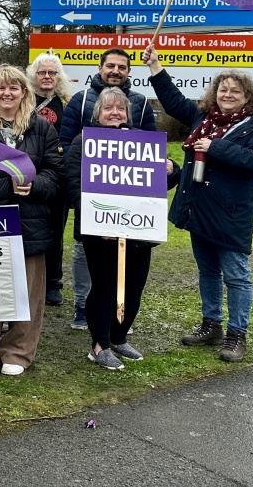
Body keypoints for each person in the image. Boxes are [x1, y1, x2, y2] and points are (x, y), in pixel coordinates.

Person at [142, 45, 253, 362]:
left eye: (235, 91)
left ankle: (236, 334)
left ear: (247, 97)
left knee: (237, 276)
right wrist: (155, 67)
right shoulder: (202, 117)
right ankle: (211, 324)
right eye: (223, 89)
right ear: (215, 93)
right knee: (208, 273)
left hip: (230, 216)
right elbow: (173, 102)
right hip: (198, 210)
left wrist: (215, 148)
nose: (228, 95)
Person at [0, 65, 63, 376]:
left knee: (29, 290)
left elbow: (56, 174)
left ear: (24, 93)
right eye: (1, 88)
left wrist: (36, 185)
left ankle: (18, 349)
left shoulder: (42, 129)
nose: (7, 93)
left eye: (14, 88)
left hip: (31, 220)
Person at [65, 88, 178, 370]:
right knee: (103, 288)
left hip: (138, 233)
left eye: (120, 108)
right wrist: (97, 220)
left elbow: (159, 185)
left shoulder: (142, 142)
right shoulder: (84, 142)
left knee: (133, 289)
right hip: (100, 233)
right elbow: (71, 186)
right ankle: (99, 345)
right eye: (108, 108)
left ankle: (118, 338)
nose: (115, 113)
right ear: (98, 114)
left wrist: (171, 169)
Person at [57, 48, 157, 316]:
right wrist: (79, 176)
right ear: (100, 68)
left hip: (129, 192)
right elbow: (66, 143)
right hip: (91, 191)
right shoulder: (79, 100)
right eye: (110, 65)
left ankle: (117, 314)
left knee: (125, 256)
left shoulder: (141, 102)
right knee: (84, 252)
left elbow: (150, 146)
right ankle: (82, 305)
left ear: (128, 72)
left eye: (122, 67)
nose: (115, 71)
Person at [26, 53, 79, 320]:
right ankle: (28, 282)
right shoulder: (23, 100)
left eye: (52, 73)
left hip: (57, 177)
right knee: (30, 228)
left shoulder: (69, 104)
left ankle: (53, 282)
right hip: (27, 175)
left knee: (56, 229)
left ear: (59, 77)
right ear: (33, 75)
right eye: (42, 72)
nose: (47, 77)